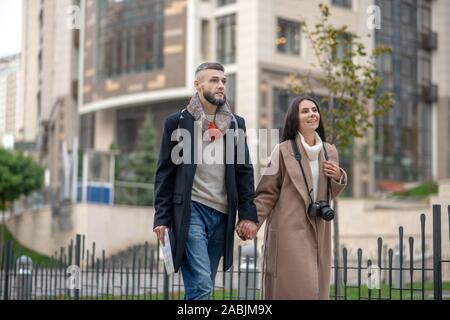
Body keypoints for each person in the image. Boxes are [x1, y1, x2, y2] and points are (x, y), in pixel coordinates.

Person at [153, 62, 258, 300]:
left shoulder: (236, 124)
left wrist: (248, 214)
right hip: (191, 212)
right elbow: (165, 173)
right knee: (201, 285)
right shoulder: (177, 123)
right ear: (197, 85)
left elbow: (244, 171)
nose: (220, 85)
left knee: (203, 284)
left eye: (223, 81)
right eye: (214, 80)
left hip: (222, 215)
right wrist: (161, 217)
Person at [254, 96, 347, 300]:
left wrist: (338, 176)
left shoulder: (330, 151)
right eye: (305, 111)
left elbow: (333, 191)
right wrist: (252, 222)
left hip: (319, 227)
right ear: (294, 118)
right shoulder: (282, 151)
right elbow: (267, 192)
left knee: (315, 286)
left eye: (314, 110)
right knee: (294, 287)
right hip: (288, 229)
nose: (312, 114)